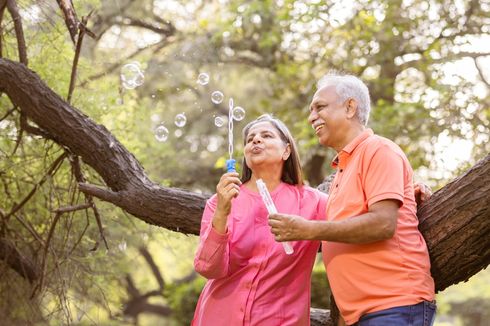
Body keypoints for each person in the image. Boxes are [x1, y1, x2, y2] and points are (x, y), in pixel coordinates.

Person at [269, 73, 436, 326]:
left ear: (350, 107)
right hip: (365, 314)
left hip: (394, 306)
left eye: (320, 107)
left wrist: (308, 229)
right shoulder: (344, 169)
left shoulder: (378, 150)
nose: (311, 116)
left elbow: (383, 223)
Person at [192, 114, 328, 325]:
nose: (256, 140)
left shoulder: (313, 202)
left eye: (266, 135)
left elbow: (352, 225)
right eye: (250, 139)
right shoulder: (219, 202)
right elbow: (208, 268)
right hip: (219, 317)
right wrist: (221, 212)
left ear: (286, 150)